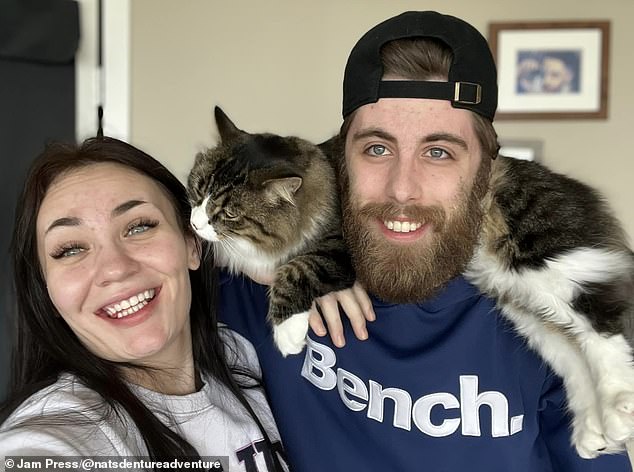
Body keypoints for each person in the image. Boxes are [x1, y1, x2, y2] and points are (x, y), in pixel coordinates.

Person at [218, 11, 630, 471]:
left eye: (438, 152)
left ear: (487, 172)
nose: (402, 189)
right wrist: (262, 261)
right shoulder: (258, 298)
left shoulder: (546, 326)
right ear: (337, 161)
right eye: (377, 149)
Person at [0, 137, 288, 471]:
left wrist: (310, 272)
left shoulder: (243, 351)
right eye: (71, 250)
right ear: (47, 290)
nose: (115, 268)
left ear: (192, 244)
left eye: (139, 227)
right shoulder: (59, 430)